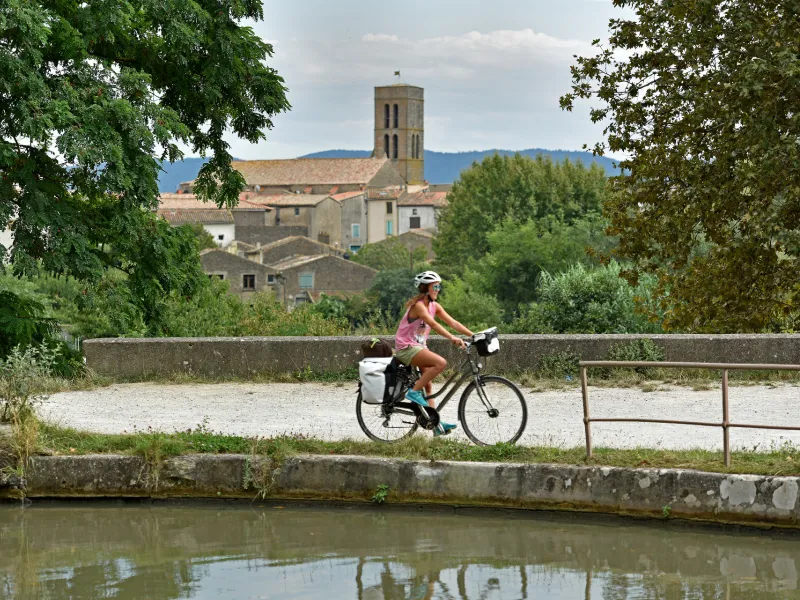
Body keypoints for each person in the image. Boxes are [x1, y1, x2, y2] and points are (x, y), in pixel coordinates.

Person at [394, 271, 474, 436]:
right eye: (435, 286)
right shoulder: (418, 306)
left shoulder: (434, 306)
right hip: (406, 348)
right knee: (440, 363)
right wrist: (452, 338)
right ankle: (413, 392)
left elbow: (453, 322)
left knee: (428, 385)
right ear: (425, 288)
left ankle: (435, 424)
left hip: (418, 347)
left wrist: (473, 335)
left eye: (439, 286)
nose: (438, 289)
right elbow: (434, 325)